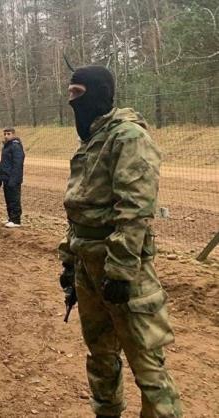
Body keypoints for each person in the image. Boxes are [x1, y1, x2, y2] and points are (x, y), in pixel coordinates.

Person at [58, 65, 182, 418]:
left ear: (98, 92)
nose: (73, 103)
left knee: (147, 363)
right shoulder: (92, 141)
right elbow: (79, 209)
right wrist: (69, 262)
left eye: (78, 94)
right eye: (69, 96)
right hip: (88, 265)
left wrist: (121, 270)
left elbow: (135, 208)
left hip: (121, 270)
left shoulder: (127, 137)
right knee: (100, 356)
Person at [0, 127, 25, 228]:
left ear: (13, 134)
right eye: (5, 134)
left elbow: (18, 164)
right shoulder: (6, 146)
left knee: (14, 199)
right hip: (6, 178)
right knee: (8, 199)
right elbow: (3, 163)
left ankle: (16, 220)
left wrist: (14, 179)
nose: (6, 136)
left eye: (8, 134)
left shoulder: (16, 146)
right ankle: (10, 218)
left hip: (13, 179)